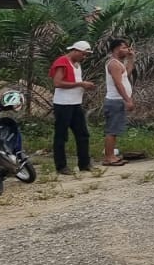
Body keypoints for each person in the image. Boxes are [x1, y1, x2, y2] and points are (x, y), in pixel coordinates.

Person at [48, 39, 97, 175]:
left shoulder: (77, 64)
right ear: (75, 51)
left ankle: (84, 163)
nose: (84, 57)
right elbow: (57, 83)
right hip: (63, 104)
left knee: (82, 134)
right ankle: (61, 166)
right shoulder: (62, 62)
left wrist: (83, 86)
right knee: (61, 135)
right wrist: (80, 84)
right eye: (83, 54)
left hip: (75, 103)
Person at [101, 38, 136, 167]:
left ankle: (112, 156)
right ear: (116, 49)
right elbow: (118, 83)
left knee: (114, 130)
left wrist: (131, 59)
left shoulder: (119, 64)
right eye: (124, 47)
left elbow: (127, 73)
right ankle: (108, 157)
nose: (127, 50)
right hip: (115, 101)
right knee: (112, 130)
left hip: (118, 101)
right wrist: (128, 100)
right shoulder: (114, 64)